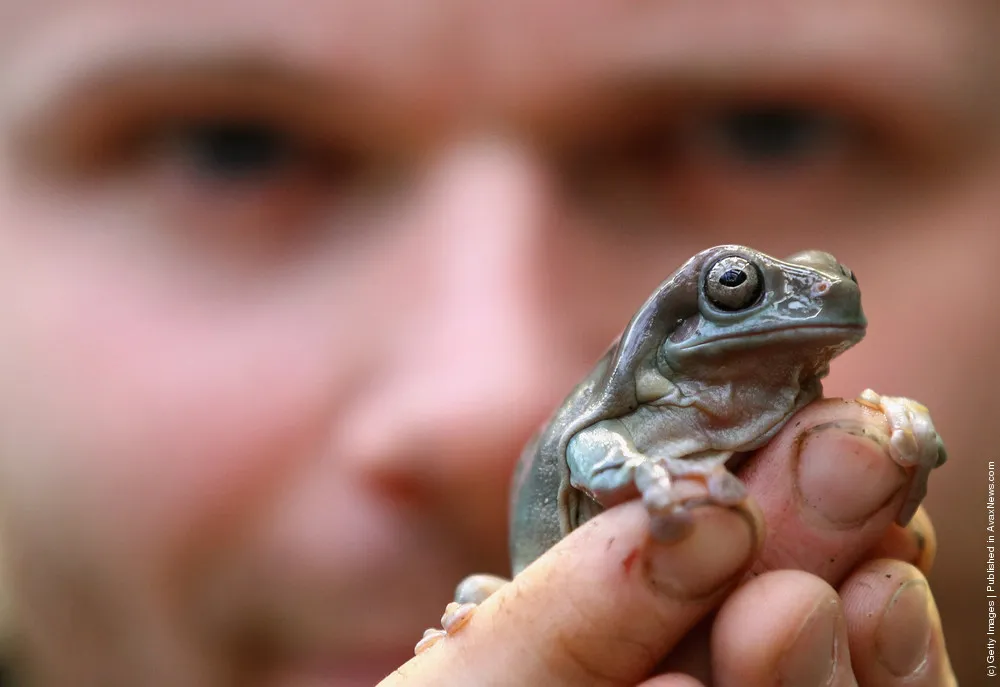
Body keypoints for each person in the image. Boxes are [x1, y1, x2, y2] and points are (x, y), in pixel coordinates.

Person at [0, 0, 991, 684]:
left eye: (762, 132)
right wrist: (654, 483)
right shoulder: (630, 420)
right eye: (230, 145)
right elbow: (598, 450)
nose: (486, 401)